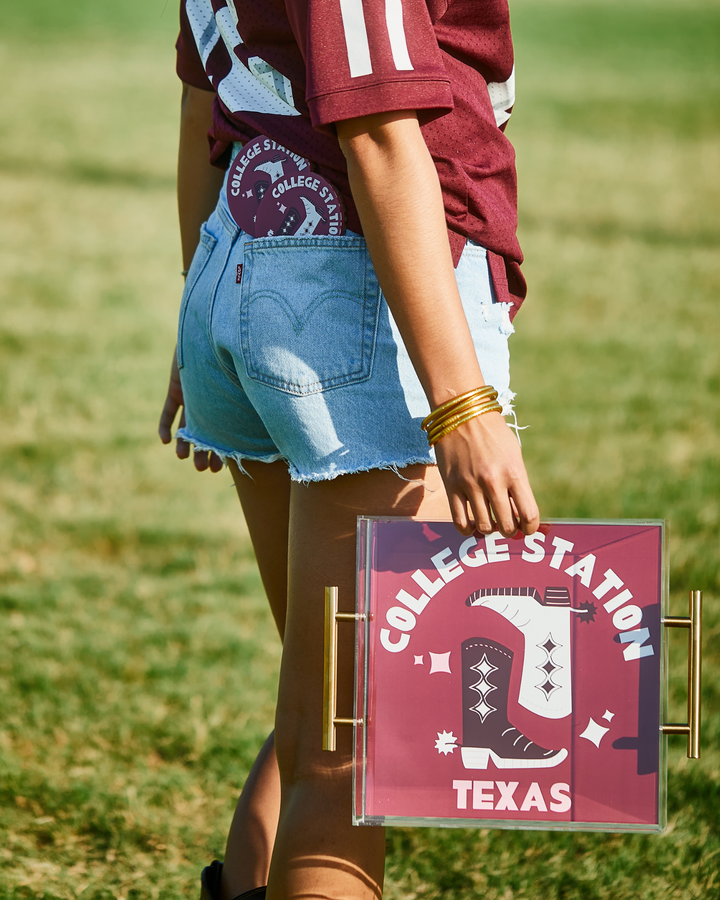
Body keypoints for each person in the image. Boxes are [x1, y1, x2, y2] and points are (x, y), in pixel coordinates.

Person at [158, 2, 540, 898]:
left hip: (240, 257)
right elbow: (373, 127)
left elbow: (199, 100)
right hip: (351, 292)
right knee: (358, 744)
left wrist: (198, 319)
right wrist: (461, 403)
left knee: (321, 708)